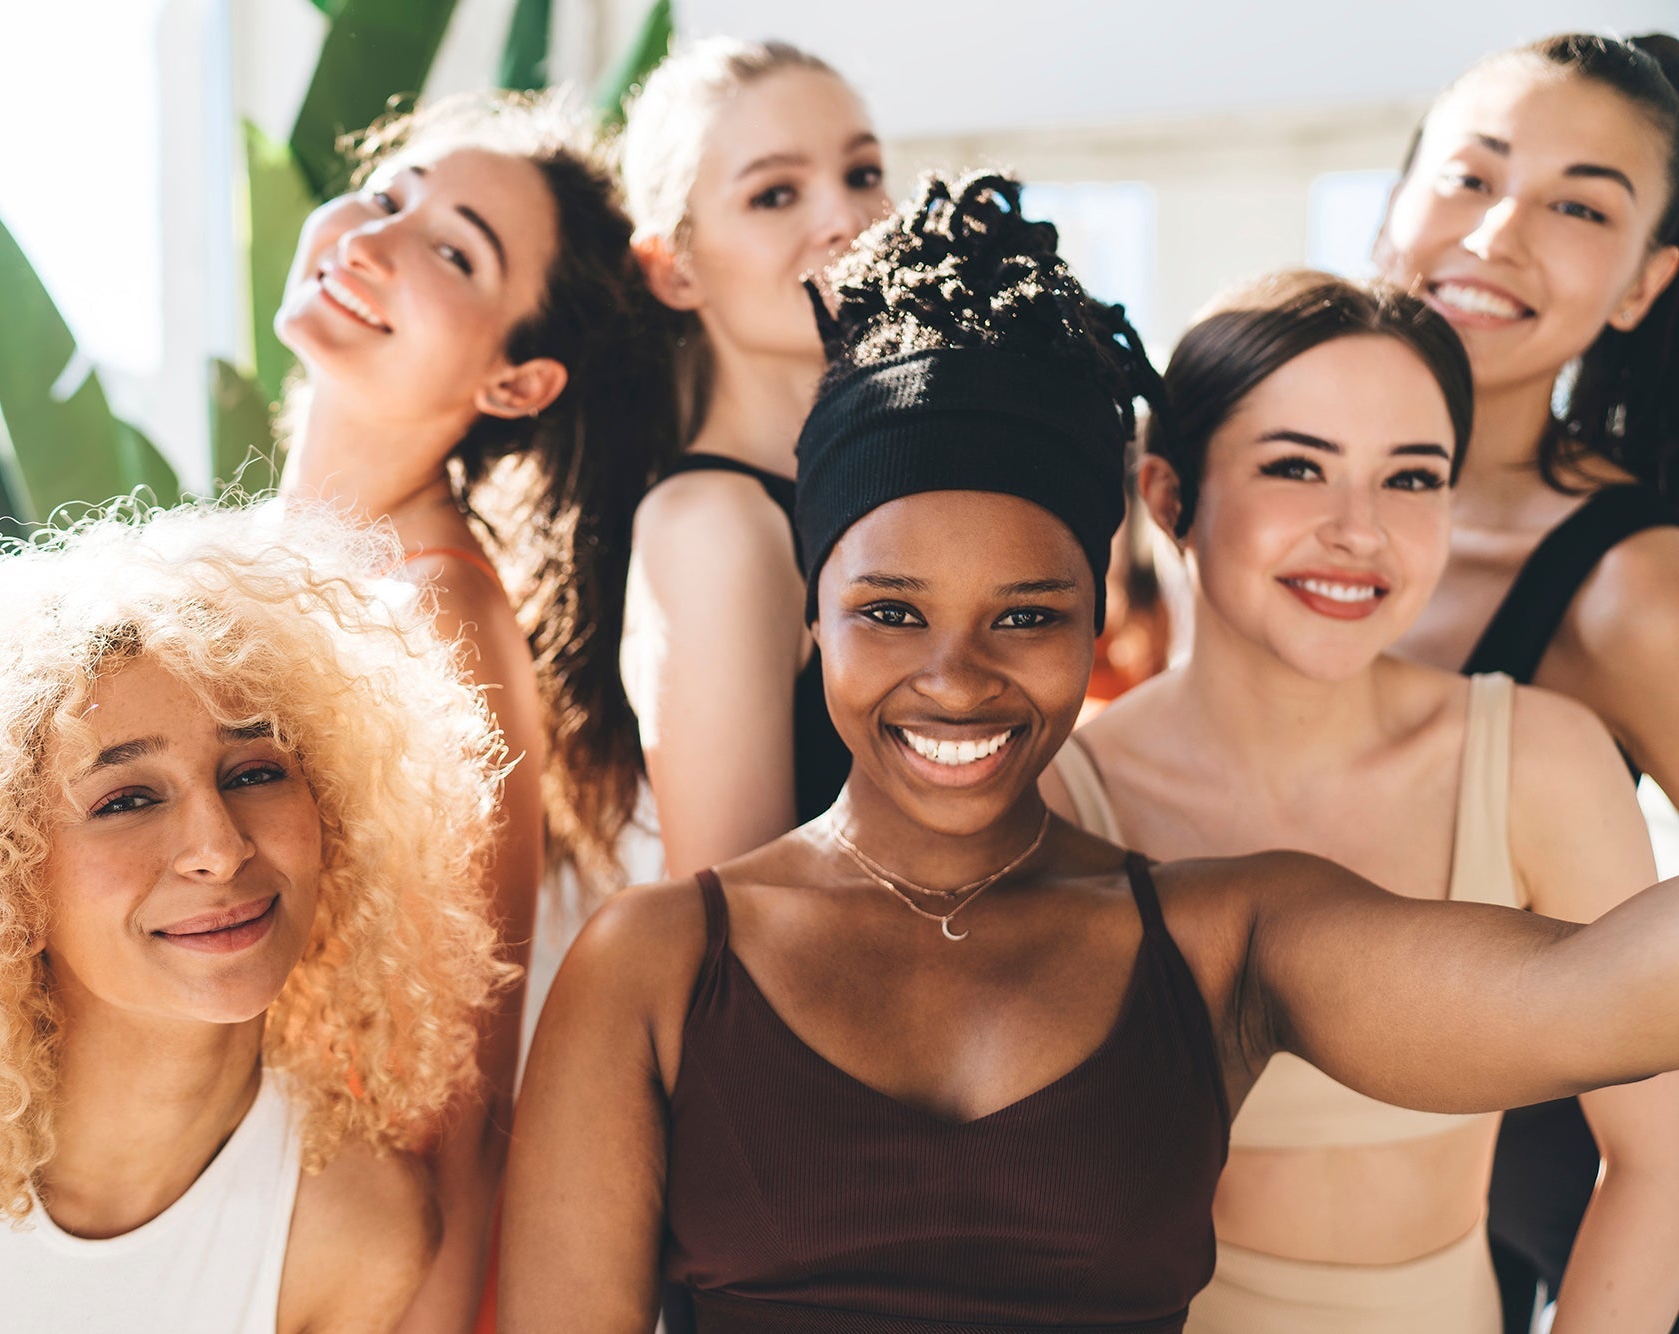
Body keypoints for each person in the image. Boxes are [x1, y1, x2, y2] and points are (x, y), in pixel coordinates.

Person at [499, 171, 1679, 1334]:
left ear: (1094, 620)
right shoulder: (652, 966)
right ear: (813, 618)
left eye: (1025, 614)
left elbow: (1589, 996)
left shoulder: (1226, 938)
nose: (955, 678)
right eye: (891, 612)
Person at [0, 502, 510, 1332]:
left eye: (255, 771)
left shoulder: (351, 1228)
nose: (218, 848)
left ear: (331, 807)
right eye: (127, 798)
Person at [1040, 269, 1679, 1331]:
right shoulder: (1064, 799)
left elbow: (1659, 1160)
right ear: (1165, 495)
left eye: (1411, 477)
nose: (1358, 529)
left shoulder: (1534, 758)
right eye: (1296, 466)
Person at [274, 91, 673, 1325]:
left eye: (453, 251)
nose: (374, 237)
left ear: (516, 380)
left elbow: (460, 1101)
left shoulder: (439, 627)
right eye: (388, 190)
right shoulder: (257, 561)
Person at [1376, 33, 1679, 1326]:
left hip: (1517, 1233)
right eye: (1470, 174)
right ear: (1399, 200)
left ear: (1640, 285)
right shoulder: (1220, 488)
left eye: (1577, 205)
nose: (1498, 231)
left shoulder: (1629, 585)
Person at [618, 38, 890, 875]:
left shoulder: (873, 494)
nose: (844, 219)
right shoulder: (713, 527)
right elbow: (732, 917)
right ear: (675, 269)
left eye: (862, 173)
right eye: (776, 194)